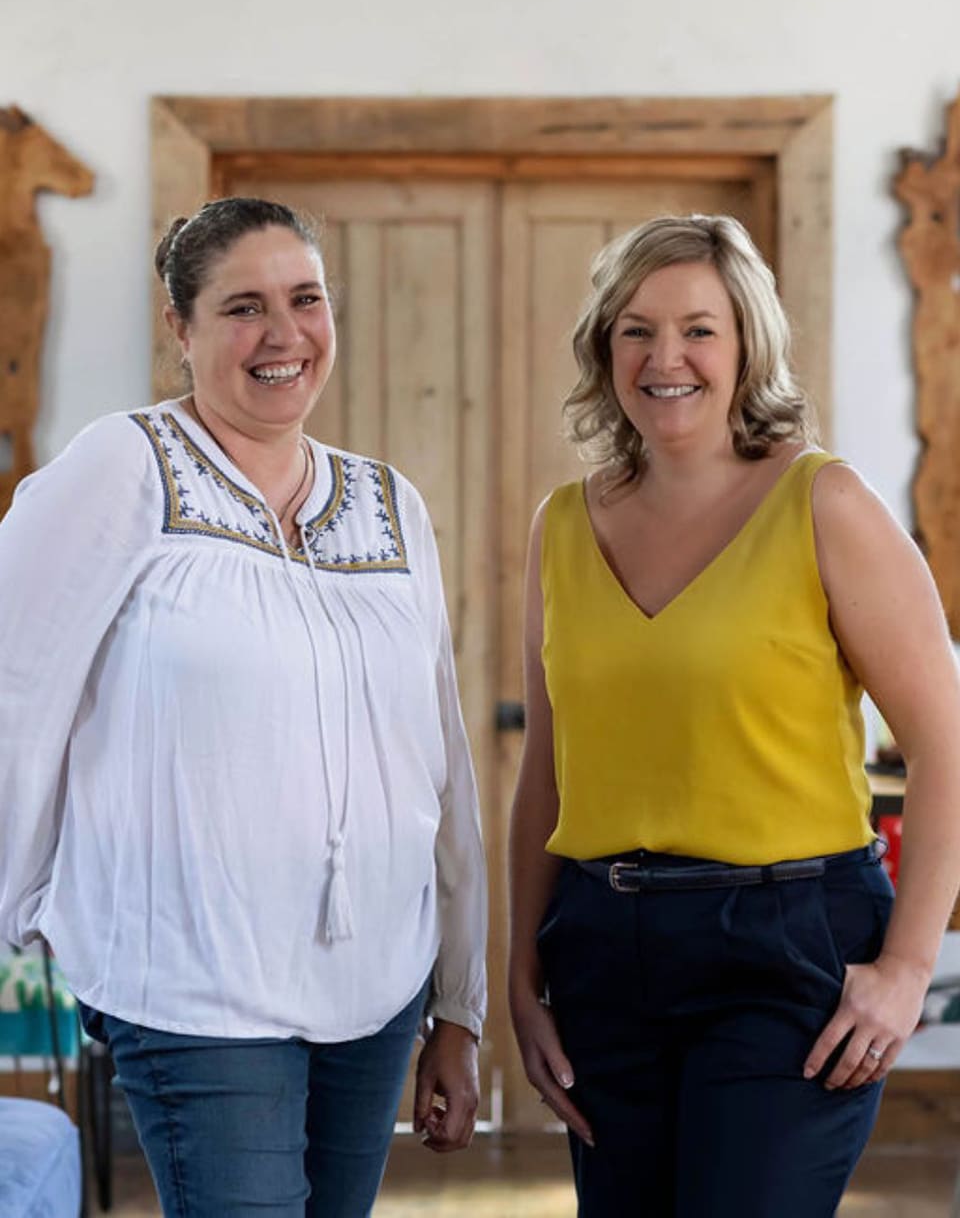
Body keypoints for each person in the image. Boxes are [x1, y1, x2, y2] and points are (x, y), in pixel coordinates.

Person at [0, 197, 487, 1217]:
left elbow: (438, 758)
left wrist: (459, 1002)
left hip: (378, 985)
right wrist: (21, 912)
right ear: (180, 327)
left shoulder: (390, 501)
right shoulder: (121, 466)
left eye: (305, 300)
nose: (283, 335)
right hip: (193, 978)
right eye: (243, 307)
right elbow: (14, 691)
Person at [508, 214, 960, 1216]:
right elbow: (548, 761)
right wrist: (521, 965)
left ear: (748, 342)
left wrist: (906, 969)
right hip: (602, 948)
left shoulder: (824, 503)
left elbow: (945, 745)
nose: (667, 357)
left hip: (788, 948)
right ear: (604, 347)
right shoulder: (564, 525)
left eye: (698, 329)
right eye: (636, 329)